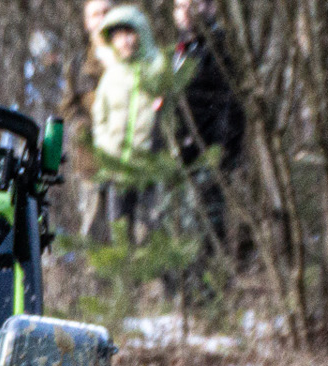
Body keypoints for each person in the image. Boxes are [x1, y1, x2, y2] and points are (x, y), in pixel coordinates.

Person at [173, 0, 246, 254]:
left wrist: (221, 152)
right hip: (183, 157)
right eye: (181, 5)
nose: (187, 11)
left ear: (211, 7)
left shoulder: (219, 48)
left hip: (208, 153)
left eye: (195, 4)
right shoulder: (181, 50)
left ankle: (213, 284)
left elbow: (231, 103)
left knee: (207, 231)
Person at [90, 4, 167, 241]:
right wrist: (105, 148)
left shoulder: (156, 69)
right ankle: (123, 280)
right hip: (116, 172)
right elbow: (99, 118)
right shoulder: (110, 77)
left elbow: (170, 115)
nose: (125, 42)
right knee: (120, 236)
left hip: (148, 171)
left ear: (141, 34)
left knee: (149, 235)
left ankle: (153, 278)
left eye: (130, 34)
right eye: (118, 36)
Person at [62, 0, 113, 239]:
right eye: (96, 14)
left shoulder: (131, 58)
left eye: (107, 12)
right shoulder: (77, 65)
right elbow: (67, 108)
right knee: (95, 240)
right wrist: (82, 128)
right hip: (91, 164)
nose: (102, 19)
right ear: (86, 22)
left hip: (130, 163)